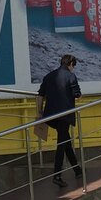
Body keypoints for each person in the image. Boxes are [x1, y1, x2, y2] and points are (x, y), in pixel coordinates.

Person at [38, 54, 82, 187]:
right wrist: (78, 95)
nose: (73, 68)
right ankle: (57, 175)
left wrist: (40, 112)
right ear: (71, 64)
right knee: (61, 145)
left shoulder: (49, 76)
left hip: (50, 116)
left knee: (65, 140)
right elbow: (77, 94)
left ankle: (77, 170)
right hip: (64, 115)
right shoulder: (71, 76)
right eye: (73, 66)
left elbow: (40, 95)